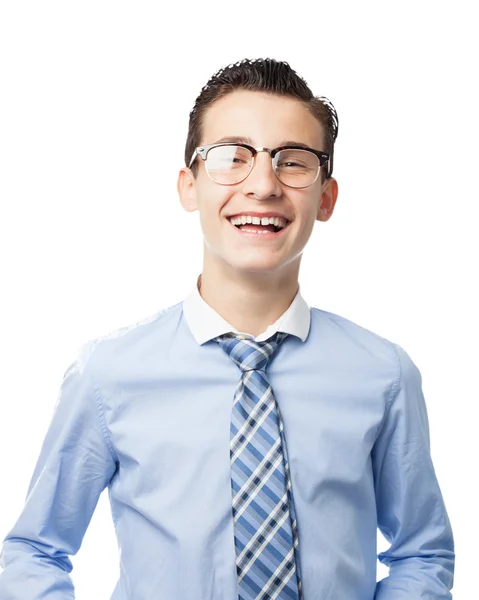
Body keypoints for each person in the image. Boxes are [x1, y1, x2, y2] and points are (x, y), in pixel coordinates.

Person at [0, 58, 454, 599]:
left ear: (326, 198)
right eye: (232, 158)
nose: (262, 185)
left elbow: (421, 553)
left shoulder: (384, 374)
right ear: (188, 186)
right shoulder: (108, 373)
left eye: (293, 162)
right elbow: (34, 551)